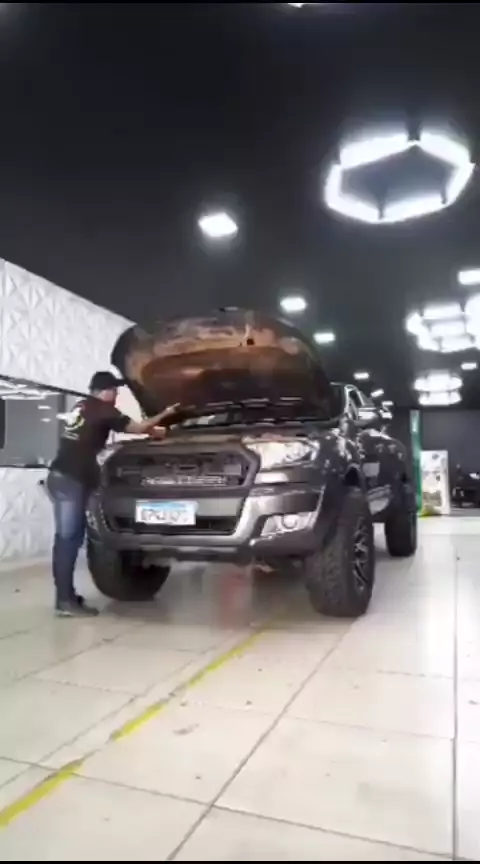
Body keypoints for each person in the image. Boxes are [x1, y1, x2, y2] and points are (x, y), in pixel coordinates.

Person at [47, 371, 178, 617]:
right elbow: (139, 427)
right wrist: (166, 413)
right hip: (72, 480)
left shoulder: (82, 406)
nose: (117, 395)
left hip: (59, 476)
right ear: (104, 391)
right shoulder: (104, 409)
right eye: (115, 390)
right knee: (68, 539)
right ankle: (64, 601)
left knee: (69, 538)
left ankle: (65, 595)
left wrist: (153, 432)